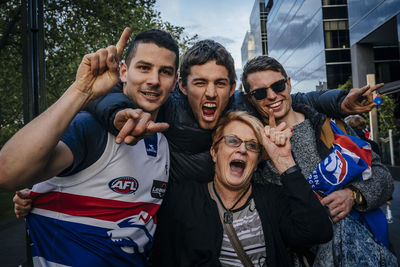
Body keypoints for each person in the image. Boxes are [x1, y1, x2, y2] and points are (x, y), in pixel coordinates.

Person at [85, 39, 380, 185]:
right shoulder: (166, 106)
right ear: (182, 87)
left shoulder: (244, 103)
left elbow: (296, 97)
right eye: (200, 83)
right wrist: (117, 115)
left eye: (220, 83)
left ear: (233, 87)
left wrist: (340, 100)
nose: (211, 93)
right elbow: (110, 95)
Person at [0, 27, 179, 266]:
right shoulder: (90, 128)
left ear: (175, 82)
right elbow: (7, 173)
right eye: (144, 67)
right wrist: (81, 91)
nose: (154, 80)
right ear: (124, 71)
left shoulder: (163, 142)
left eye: (165, 72)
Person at [241, 55, 395, 265]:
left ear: (288, 83)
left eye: (277, 85)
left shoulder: (330, 126)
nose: (271, 96)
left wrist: (353, 195)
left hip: (363, 251)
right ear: (250, 99)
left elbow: (383, 177)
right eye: (260, 93)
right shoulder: (255, 147)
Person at [151, 111, 333, 266]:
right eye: (233, 141)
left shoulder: (273, 199)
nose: (242, 150)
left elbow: (318, 232)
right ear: (214, 152)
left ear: (255, 164)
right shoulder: (182, 199)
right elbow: (163, 258)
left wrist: (283, 160)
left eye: (252, 145)